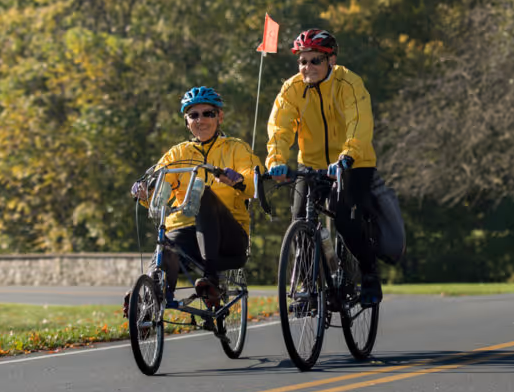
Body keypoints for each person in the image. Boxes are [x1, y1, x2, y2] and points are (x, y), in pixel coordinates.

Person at [266, 28, 397, 305]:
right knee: (300, 221)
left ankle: (369, 273)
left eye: (315, 60)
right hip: (311, 164)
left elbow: (359, 123)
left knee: (346, 220)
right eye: (302, 61)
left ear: (331, 60)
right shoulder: (291, 89)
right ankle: (308, 287)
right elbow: (280, 128)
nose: (307, 67)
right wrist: (276, 160)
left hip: (354, 163)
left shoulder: (348, 83)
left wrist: (348, 156)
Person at [130, 86, 261, 307]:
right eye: (194, 115)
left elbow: (254, 181)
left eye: (207, 113)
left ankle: (212, 280)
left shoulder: (236, 149)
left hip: (228, 241)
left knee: (202, 192)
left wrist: (238, 180)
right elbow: (158, 188)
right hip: (187, 237)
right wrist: (146, 192)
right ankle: (146, 308)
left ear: (219, 116)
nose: (201, 120)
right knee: (166, 247)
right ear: (186, 121)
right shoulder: (177, 154)